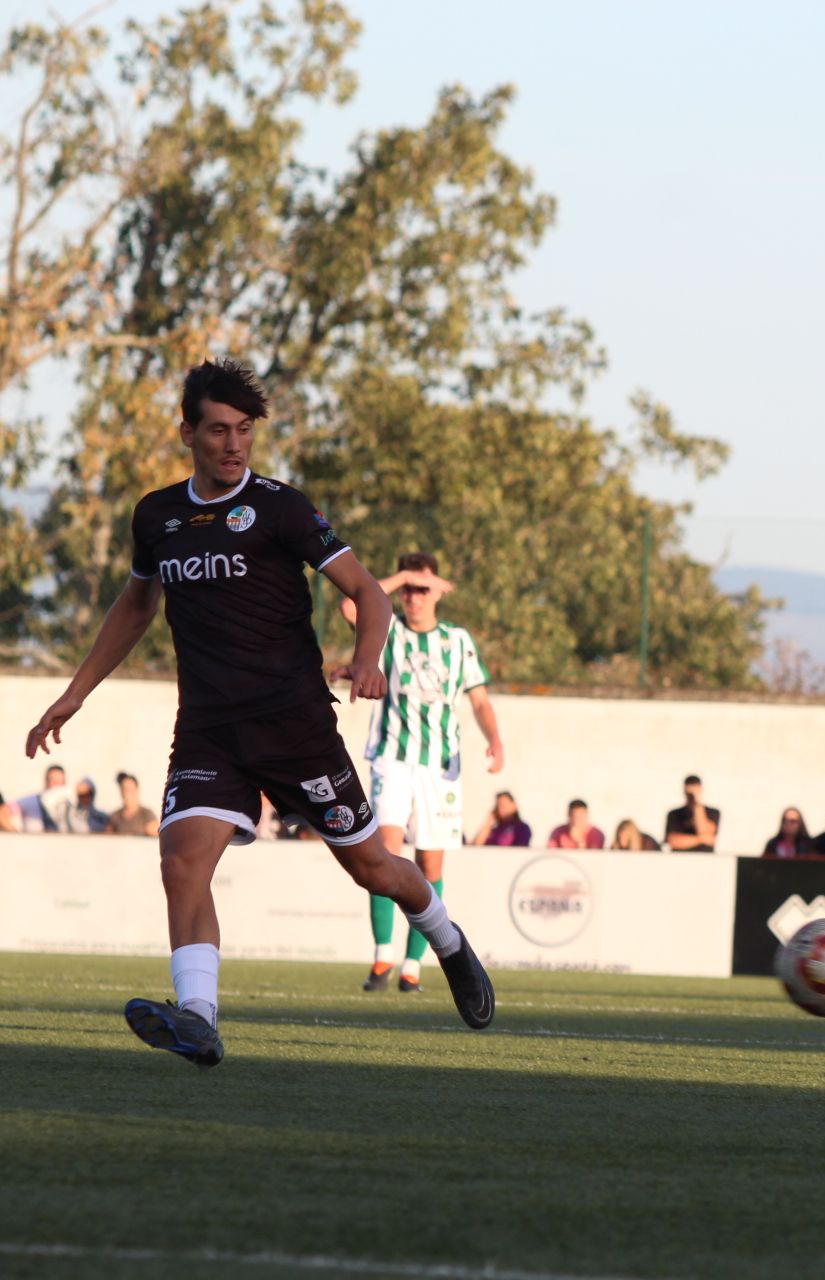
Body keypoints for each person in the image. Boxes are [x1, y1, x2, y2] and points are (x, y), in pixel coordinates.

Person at [22, 358, 492, 1068]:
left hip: (295, 725)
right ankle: (200, 1020)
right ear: (187, 432)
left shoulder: (281, 509)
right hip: (209, 731)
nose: (233, 444)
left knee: (372, 867)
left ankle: (449, 943)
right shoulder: (157, 516)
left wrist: (367, 661)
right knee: (181, 863)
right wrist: (77, 689)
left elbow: (371, 592)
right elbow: (137, 605)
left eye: (244, 430)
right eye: (217, 430)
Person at [342, 551, 504, 995]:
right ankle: (382, 958)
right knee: (384, 852)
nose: (413, 596)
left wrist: (494, 737)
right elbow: (350, 606)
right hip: (392, 759)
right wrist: (400, 578)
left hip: (440, 766)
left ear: (439, 591)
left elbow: (480, 700)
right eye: (409, 589)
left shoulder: (457, 640)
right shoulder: (387, 628)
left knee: (429, 863)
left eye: (422, 588)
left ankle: (414, 964)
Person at [664, 775, 720, 852]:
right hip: (680, 859)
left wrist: (697, 805)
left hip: (705, 859)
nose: (691, 796)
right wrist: (702, 839)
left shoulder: (713, 812)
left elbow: (704, 831)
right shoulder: (674, 814)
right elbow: (673, 841)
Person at [15, 764, 71, 832]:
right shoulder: (32, 802)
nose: (55, 786)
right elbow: (5, 810)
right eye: (52, 780)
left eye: (58, 782)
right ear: (46, 781)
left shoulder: (70, 803)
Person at [107, 772, 160, 837]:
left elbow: (157, 833)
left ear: (136, 790)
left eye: (129, 789)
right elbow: (108, 838)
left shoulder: (147, 814)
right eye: (123, 789)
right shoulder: (115, 817)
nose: (125, 793)